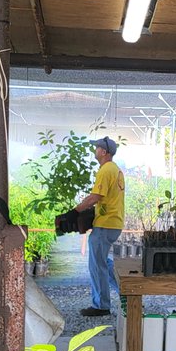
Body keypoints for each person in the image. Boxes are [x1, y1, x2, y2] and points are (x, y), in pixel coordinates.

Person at [75, 136, 125, 317]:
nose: (95, 150)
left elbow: (96, 196)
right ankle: (126, 290)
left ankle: (101, 305)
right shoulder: (116, 170)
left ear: (104, 152)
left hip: (105, 224)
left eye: (97, 148)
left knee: (96, 265)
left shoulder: (106, 170)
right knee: (102, 261)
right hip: (113, 223)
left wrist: (75, 211)